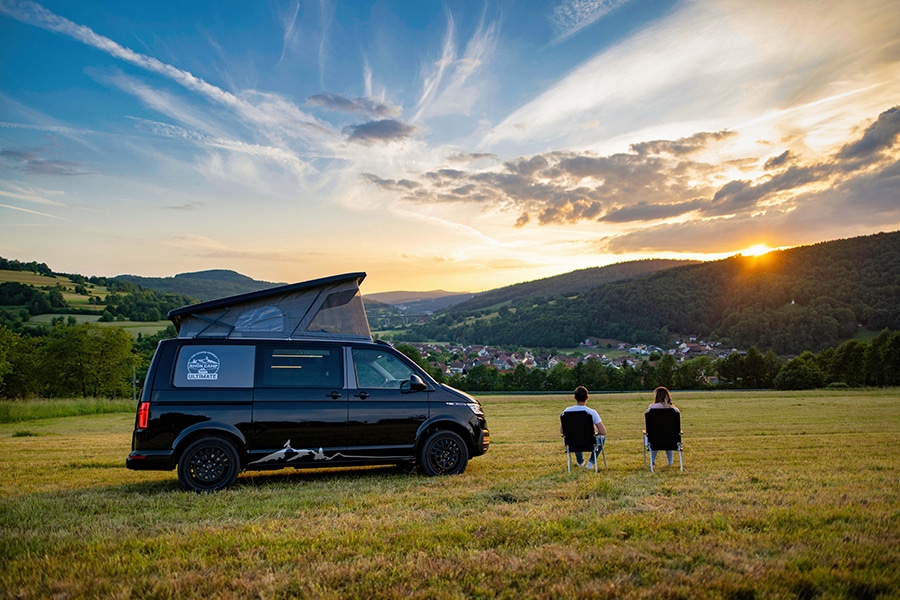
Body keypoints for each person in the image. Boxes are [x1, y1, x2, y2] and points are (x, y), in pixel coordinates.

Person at [560, 386, 607, 469]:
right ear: (587, 397)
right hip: (589, 441)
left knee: (576, 436)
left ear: (574, 397)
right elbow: (603, 432)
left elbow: (562, 430)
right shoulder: (592, 412)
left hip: (572, 442)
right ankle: (591, 462)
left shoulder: (566, 411)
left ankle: (580, 461)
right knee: (602, 438)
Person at [645, 386, 680, 467]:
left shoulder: (651, 408)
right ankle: (670, 462)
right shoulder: (675, 410)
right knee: (667, 437)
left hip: (655, 438)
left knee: (653, 439)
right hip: (671, 439)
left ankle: (652, 461)